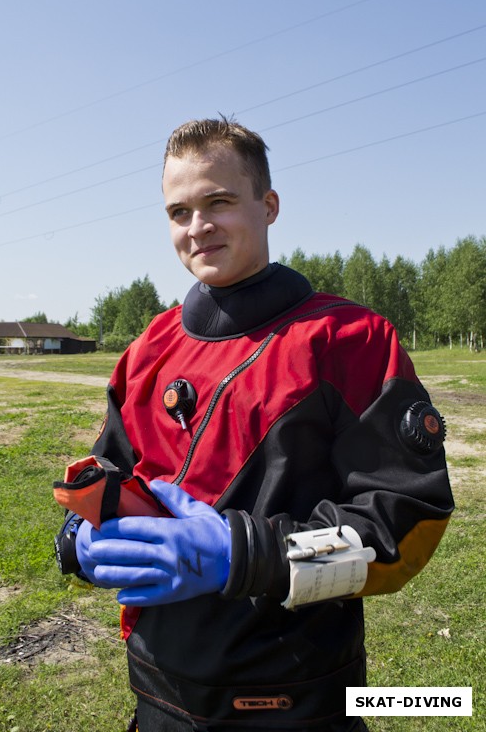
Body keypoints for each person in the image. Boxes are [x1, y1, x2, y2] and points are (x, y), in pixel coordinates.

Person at [55, 118, 454, 731]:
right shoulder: (146, 350)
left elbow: (408, 524)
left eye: (219, 202)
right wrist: (80, 537)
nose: (198, 227)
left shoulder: (351, 340)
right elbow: (110, 474)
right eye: (179, 211)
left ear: (268, 206)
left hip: (300, 700)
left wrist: (241, 555)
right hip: (158, 696)